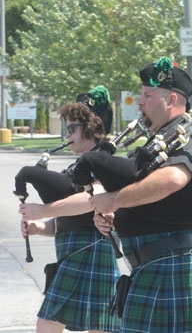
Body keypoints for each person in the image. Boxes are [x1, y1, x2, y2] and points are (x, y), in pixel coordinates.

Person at [91, 57, 192, 332]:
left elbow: (173, 179)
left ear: (171, 99)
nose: (140, 102)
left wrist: (114, 200)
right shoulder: (158, 141)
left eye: (148, 95)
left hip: (173, 272)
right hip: (151, 269)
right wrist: (114, 214)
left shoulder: (189, 137)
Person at [19, 86, 120, 333]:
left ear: (91, 128)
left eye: (72, 127)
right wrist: (38, 227)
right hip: (75, 252)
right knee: (96, 327)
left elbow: (92, 200)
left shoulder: (102, 160)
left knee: (49, 326)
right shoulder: (81, 163)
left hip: (91, 252)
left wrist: (43, 210)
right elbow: (70, 220)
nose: (68, 133)